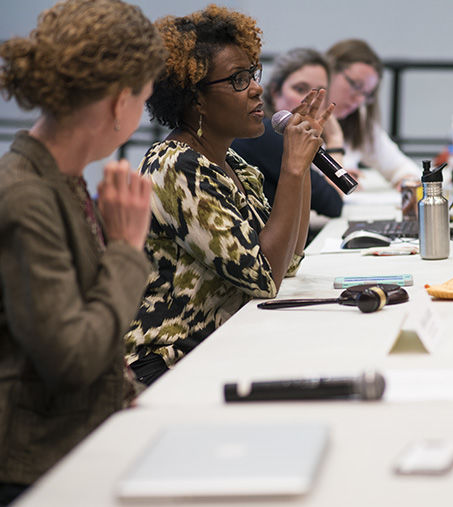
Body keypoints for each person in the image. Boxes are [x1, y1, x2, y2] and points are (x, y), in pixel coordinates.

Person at [0, 0, 165, 502]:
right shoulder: (27, 197)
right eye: (143, 101)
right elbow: (71, 358)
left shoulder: (60, 180)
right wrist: (126, 249)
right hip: (40, 469)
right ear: (120, 103)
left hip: (76, 444)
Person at [124, 5, 332, 386]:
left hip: (221, 349)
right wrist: (292, 168)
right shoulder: (177, 168)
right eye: (238, 80)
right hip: (170, 366)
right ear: (196, 99)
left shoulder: (230, 162)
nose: (255, 88)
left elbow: (287, 261)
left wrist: (297, 164)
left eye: (252, 73)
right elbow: (265, 277)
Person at [232, 48, 343, 218]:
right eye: (300, 89)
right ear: (275, 92)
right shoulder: (266, 135)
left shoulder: (287, 136)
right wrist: (335, 141)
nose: (310, 101)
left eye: (319, 93)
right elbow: (333, 203)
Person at [325, 39, 420, 187]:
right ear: (329, 71)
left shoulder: (358, 120)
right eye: (355, 85)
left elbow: (401, 166)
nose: (359, 99)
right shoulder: (295, 115)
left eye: (367, 94)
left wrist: (407, 183)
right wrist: (334, 177)